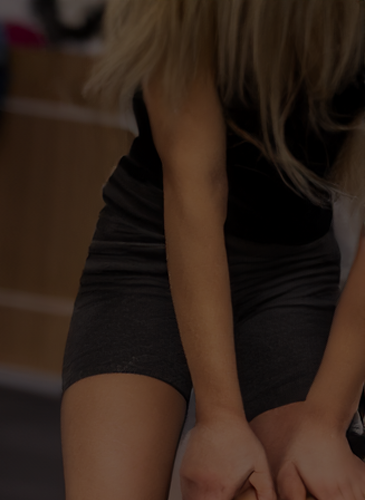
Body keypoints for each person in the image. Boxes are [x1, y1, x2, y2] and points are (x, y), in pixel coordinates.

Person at [63, 1, 365, 499]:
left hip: (289, 273)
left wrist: (326, 423)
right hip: (153, 252)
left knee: (310, 481)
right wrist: (219, 418)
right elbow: (197, 186)